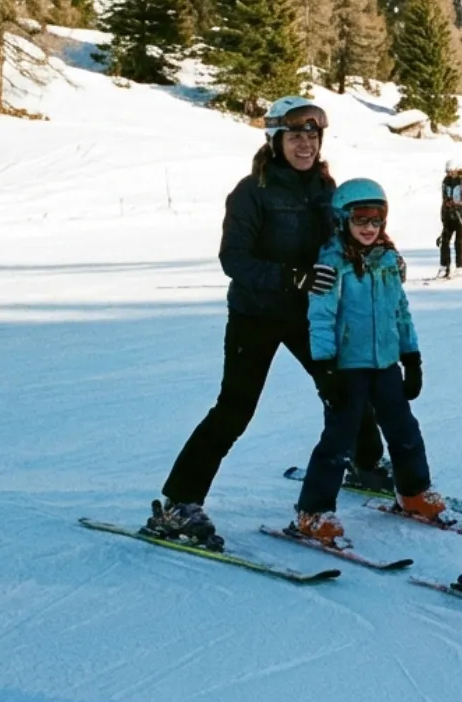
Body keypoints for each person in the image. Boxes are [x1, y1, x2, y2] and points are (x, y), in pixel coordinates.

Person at [151, 97, 386, 548]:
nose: (305, 144)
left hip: (307, 315)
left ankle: (366, 462)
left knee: (345, 389)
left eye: (312, 136)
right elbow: (233, 258)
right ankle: (180, 502)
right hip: (255, 316)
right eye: (295, 135)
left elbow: (339, 240)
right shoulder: (251, 191)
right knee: (234, 409)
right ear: (275, 140)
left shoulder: (324, 187)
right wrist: (291, 276)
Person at [292, 178, 451, 545]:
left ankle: (412, 490)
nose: (368, 227)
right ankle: (313, 510)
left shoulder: (389, 260)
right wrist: (324, 367)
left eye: (376, 220)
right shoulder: (331, 264)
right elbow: (320, 317)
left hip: (386, 365)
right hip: (347, 368)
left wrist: (411, 357)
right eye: (360, 219)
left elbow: (400, 311)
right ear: (341, 220)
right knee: (339, 439)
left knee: (403, 429)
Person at [437, 160, 462, 278]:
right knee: (444, 240)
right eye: (447, 172)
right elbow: (444, 198)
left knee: (459, 241)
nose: (449, 174)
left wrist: (460, 205)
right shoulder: (446, 181)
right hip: (449, 215)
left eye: (451, 171)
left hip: (461, 215)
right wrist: (446, 207)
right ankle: (444, 266)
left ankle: (460, 266)